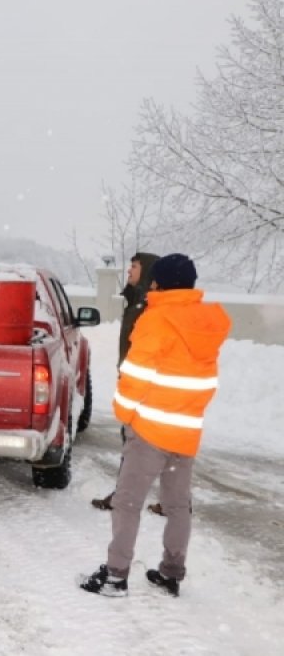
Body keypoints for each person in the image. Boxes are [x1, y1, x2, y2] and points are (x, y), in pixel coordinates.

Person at [80, 253, 230, 598]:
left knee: (127, 503)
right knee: (178, 505)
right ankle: (171, 572)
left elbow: (136, 376)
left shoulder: (156, 319)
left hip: (150, 430)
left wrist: (125, 413)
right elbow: (203, 380)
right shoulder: (207, 323)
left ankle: (116, 576)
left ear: (159, 282)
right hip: (186, 430)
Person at [91, 251, 159, 512]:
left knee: (139, 443)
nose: (128, 270)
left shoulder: (149, 307)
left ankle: (124, 497)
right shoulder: (136, 302)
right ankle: (172, 502)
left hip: (145, 386)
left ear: (148, 272)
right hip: (135, 382)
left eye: (134, 266)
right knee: (150, 444)